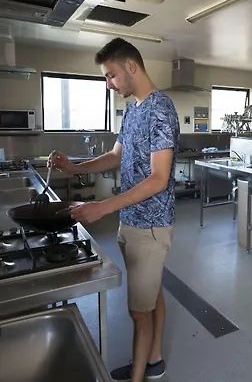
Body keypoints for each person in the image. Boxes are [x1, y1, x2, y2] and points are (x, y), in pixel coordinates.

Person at [49, 38, 180, 382]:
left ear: (131, 67)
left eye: (110, 75)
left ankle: (139, 376)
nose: (109, 84)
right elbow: (115, 155)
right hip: (131, 220)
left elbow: (158, 179)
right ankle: (154, 359)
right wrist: (74, 168)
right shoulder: (134, 109)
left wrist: (103, 207)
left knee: (138, 312)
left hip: (151, 226)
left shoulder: (160, 109)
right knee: (150, 294)